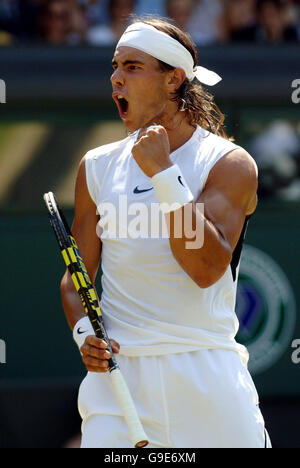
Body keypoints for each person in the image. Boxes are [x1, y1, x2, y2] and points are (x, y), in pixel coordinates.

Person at [60, 17, 272, 448]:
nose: (116, 77)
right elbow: (74, 279)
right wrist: (85, 334)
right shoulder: (96, 167)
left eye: (133, 67)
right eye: (115, 66)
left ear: (174, 79)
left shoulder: (228, 164)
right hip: (119, 385)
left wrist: (162, 173)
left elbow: (203, 266)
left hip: (205, 377)